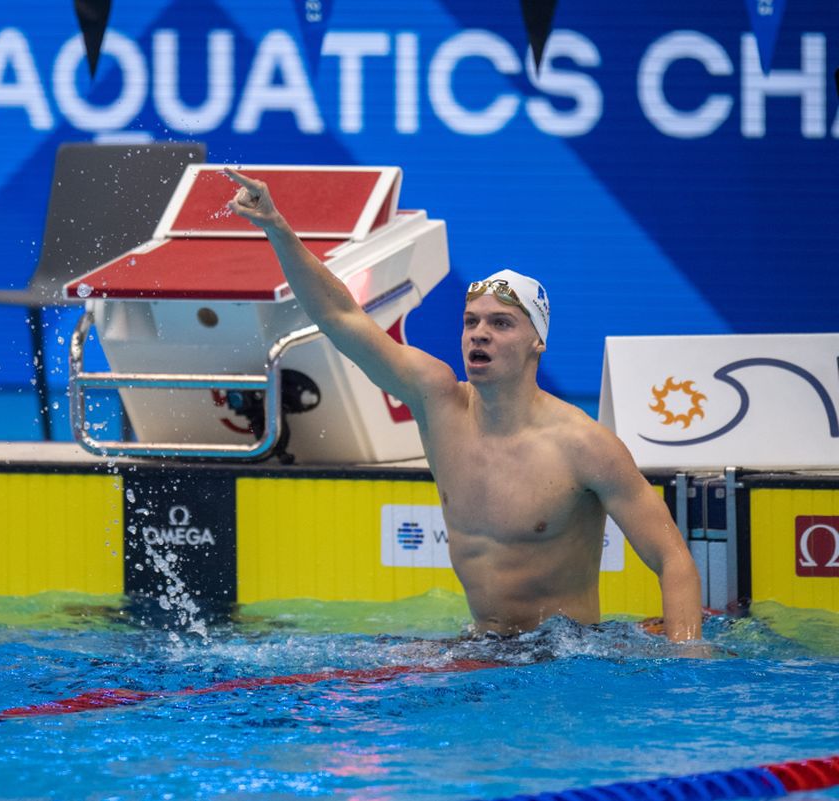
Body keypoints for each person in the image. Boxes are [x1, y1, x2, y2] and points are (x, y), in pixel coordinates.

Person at [224, 168, 703, 643]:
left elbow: (673, 559)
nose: (479, 334)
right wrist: (278, 228)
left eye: (500, 324)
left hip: (564, 657)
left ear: (538, 342)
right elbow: (341, 315)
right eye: (471, 321)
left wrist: (687, 655)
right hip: (480, 643)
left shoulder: (583, 446)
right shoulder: (438, 401)